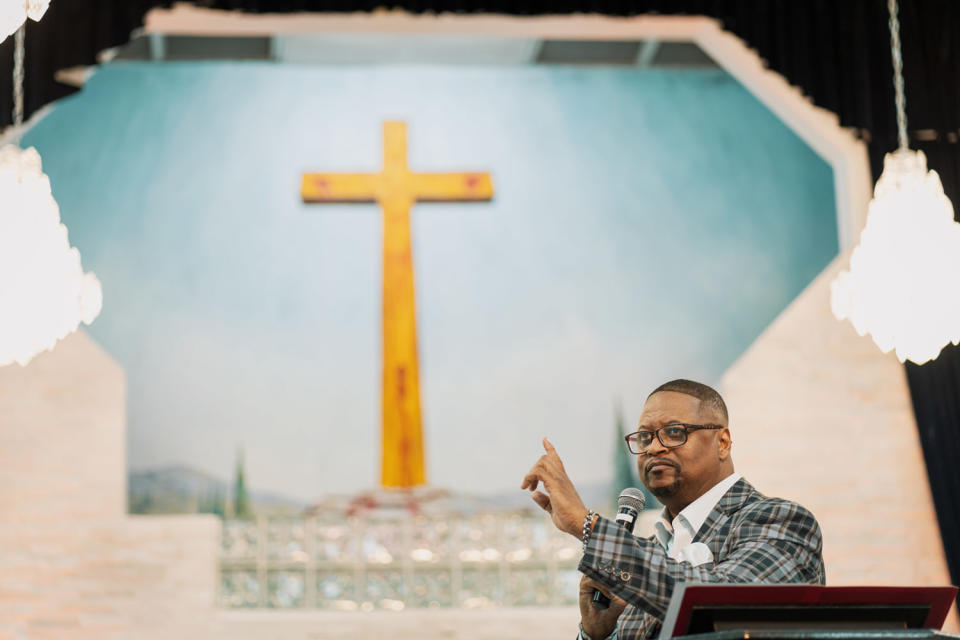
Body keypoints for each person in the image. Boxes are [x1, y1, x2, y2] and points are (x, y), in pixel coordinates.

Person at [521, 379, 825, 640]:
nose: (654, 447)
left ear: (722, 442)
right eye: (644, 437)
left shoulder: (781, 520)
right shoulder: (648, 557)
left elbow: (723, 602)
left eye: (675, 432)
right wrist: (597, 633)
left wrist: (585, 524)